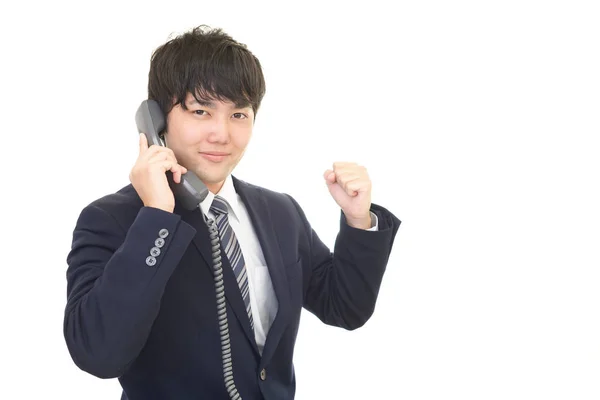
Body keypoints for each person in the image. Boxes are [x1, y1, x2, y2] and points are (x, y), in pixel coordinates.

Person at [63, 25, 401, 400]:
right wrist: (157, 216)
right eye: (200, 111)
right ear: (156, 120)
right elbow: (97, 355)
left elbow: (345, 307)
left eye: (238, 115)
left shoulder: (280, 212)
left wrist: (358, 220)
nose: (221, 134)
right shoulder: (113, 220)